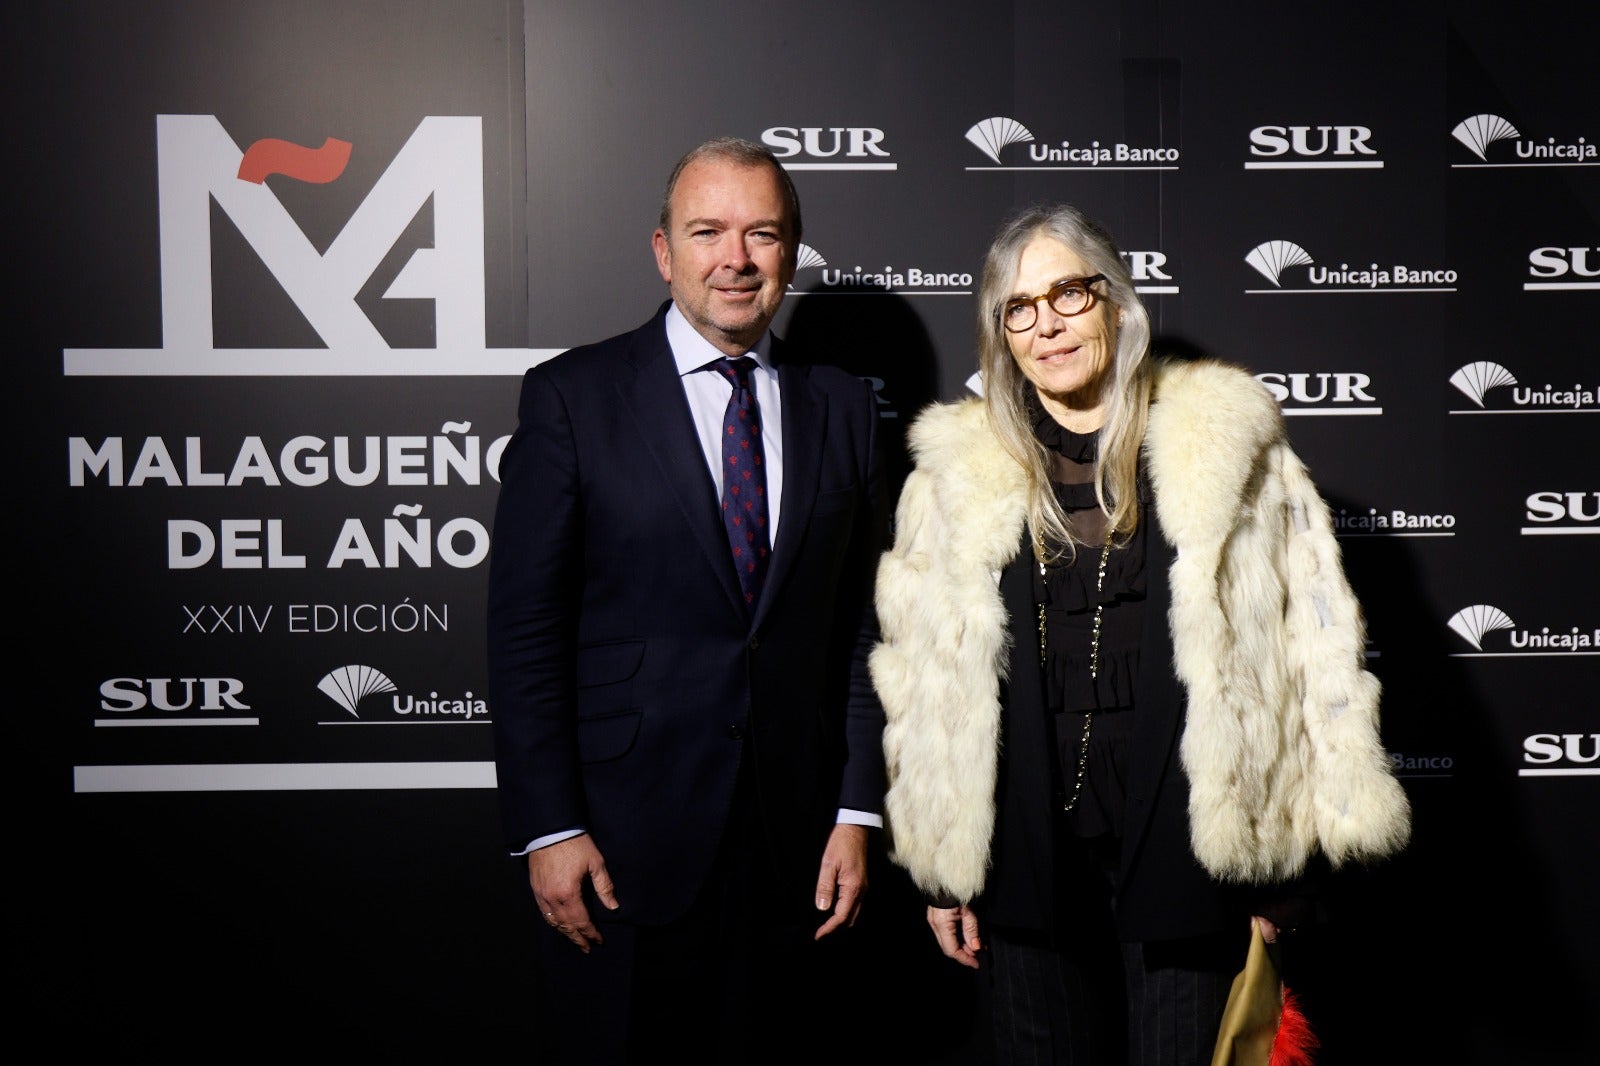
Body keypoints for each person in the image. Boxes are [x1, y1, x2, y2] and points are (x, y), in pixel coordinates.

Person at [870, 203, 1411, 1064]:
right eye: (1019, 308)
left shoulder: (1230, 447)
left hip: (1190, 854)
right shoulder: (952, 476)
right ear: (1001, 333)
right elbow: (923, 681)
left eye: (1067, 294)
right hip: (1026, 856)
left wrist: (1290, 870)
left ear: (1114, 302)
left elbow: (1311, 652)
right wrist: (942, 865)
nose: (1046, 323)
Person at [487, 137, 887, 1063]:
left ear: (791, 253)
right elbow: (525, 635)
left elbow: (873, 628)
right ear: (664, 252)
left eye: (763, 234)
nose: (735, 259)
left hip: (800, 856)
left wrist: (858, 810)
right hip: (625, 847)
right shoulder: (573, 397)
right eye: (708, 232)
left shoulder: (844, 408)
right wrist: (550, 825)